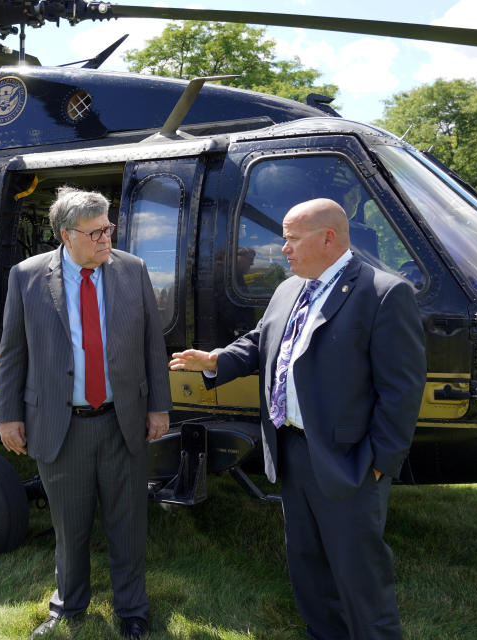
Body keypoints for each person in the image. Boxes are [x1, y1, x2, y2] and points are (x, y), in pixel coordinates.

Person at [170, 198, 425, 640]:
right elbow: (261, 340)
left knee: (359, 574)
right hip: (291, 449)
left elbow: (400, 391)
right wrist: (215, 360)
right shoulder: (291, 287)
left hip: (349, 458)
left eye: (291, 238)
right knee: (308, 566)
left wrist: (381, 461)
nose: (281, 248)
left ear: (328, 238)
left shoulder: (382, 293)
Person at [0, 187, 171, 640]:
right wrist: (8, 414)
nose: (105, 238)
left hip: (122, 421)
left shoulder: (132, 270)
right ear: (65, 235)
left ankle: (132, 609)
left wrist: (158, 407)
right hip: (61, 425)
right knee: (69, 526)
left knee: (127, 523)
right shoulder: (27, 276)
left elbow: (154, 345)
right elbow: (13, 352)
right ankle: (68, 607)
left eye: (108, 228)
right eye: (94, 232)